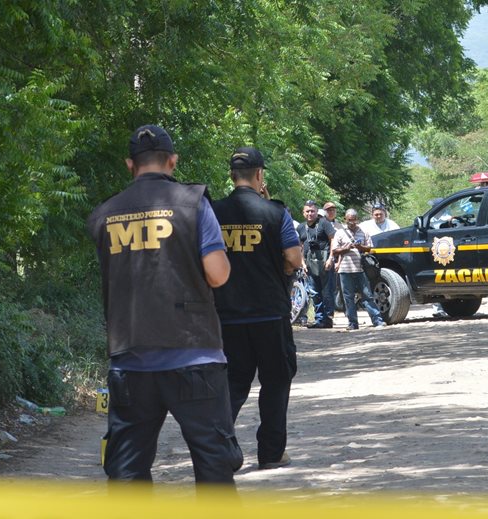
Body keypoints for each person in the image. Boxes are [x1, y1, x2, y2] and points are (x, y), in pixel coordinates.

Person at [85, 124, 242, 485]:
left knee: (126, 469)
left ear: (130, 165)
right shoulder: (193, 205)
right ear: (173, 161)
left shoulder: (105, 215)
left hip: (130, 360)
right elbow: (217, 274)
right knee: (214, 463)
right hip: (194, 356)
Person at [210, 146, 302, 471]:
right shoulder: (276, 212)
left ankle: (219, 453)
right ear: (260, 175)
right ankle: (272, 453)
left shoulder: (213, 211)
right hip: (270, 312)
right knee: (276, 381)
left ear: (232, 176)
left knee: (233, 384)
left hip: (227, 314)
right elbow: (294, 258)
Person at [331, 209, 386, 330]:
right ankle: (353, 323)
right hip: (345, 270)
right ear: (345, 220)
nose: (351, 222)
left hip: (360, 269)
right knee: (348, 297)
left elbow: (369, 248)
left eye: (354, 220)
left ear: (357, 219)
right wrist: (347, 248)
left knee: (367, 296)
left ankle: (377, 320)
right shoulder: (339, 233)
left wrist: (360, 247)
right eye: (349, 220)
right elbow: (334, 251)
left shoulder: (363, 231)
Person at [297, 199, 337, 328]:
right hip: (309, 262)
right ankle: (319, 319)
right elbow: (300, 246)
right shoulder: (301, 227)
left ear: (316, 212)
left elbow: (333, 240)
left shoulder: (324, 223)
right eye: (307, 211)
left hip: (325, 261)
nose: (310, 214)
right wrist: (302, 263)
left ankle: (328, 319)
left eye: (312, 211)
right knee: (314, 292)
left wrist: (331, 258)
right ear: (303, 213)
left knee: (327, 292)